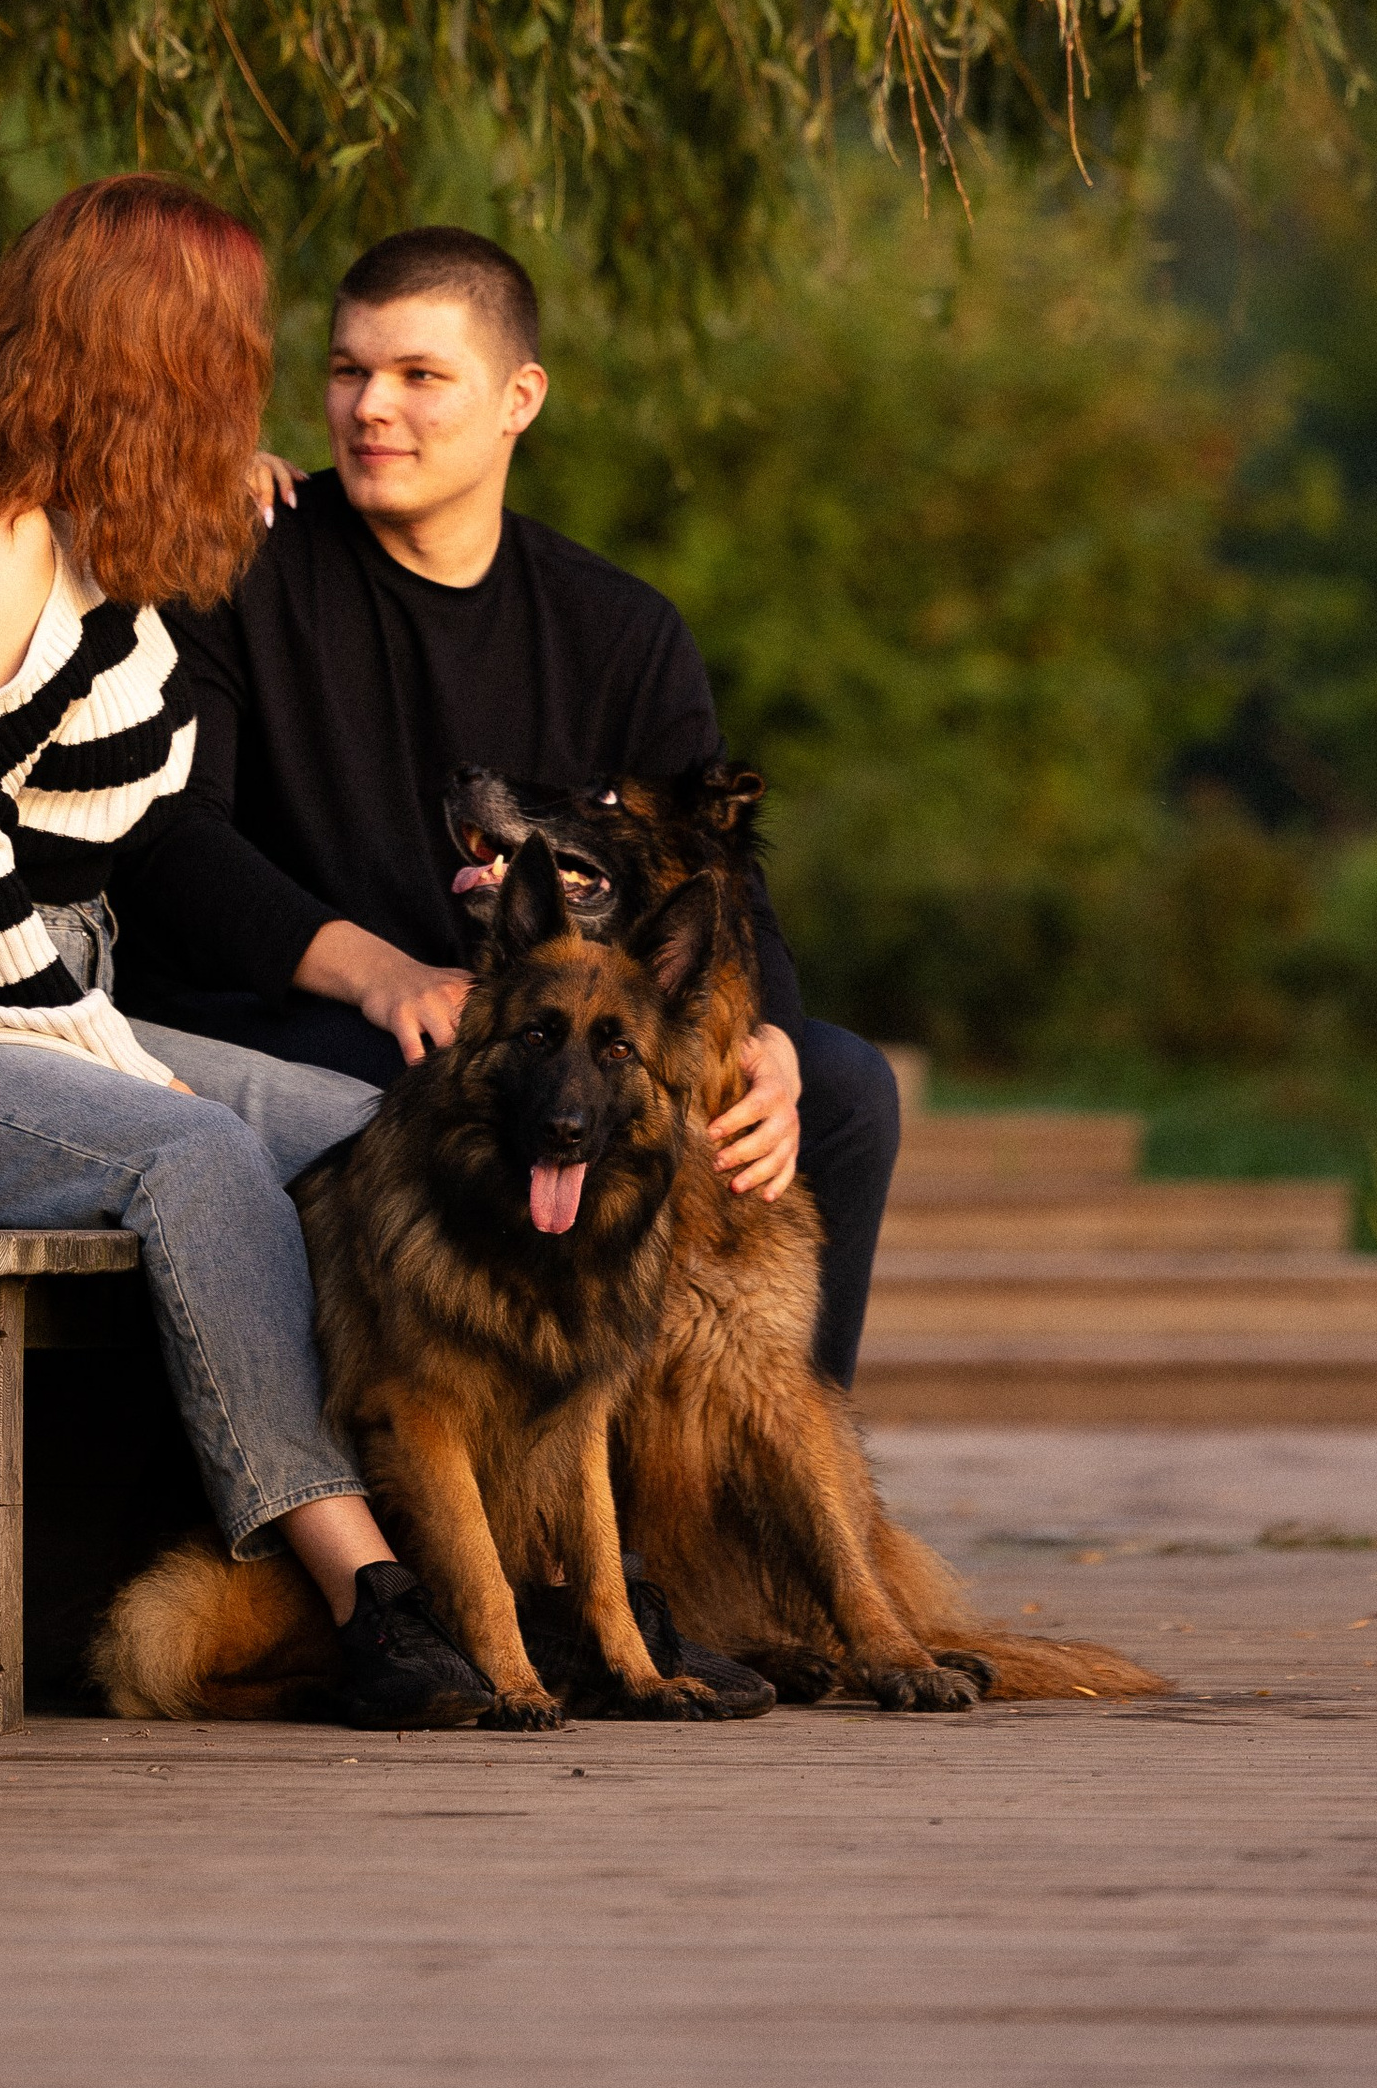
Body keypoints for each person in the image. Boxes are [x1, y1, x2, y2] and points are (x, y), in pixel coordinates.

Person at [0, 175, 497, 1729]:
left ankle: (504, 1554)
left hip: (23, 1001)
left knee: (380, 1138)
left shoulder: (96, 537)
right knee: (195, 1153)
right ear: (163, 347)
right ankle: (371, 1598)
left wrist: (208, 493)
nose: (258, 370)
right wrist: (126, 1067)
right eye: (235, 342)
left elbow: (129, 805)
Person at [110, 225, 904, 1388]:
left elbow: (717, 870)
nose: (371, 406)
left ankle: (766, 1464)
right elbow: (169, 842)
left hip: (549, 1022)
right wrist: (379, 972)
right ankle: (447, 1459)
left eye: (419, 375)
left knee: (839, 1089)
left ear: (518, 398)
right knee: (443, 1082)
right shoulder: (242, 566)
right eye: (347, 369)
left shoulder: (618, 628)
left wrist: (770, 1042)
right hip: (301, 1012)